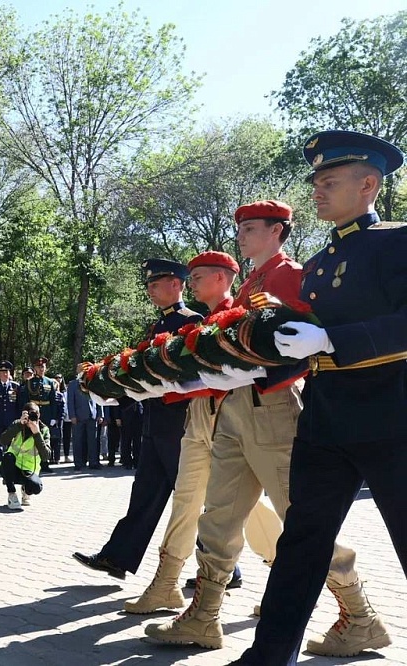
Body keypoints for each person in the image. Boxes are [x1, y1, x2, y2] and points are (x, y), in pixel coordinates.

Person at [147, 199, 384, 654]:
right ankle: (204, 615)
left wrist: (252, 372)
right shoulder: (254, 281)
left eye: (251, 228)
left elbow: (298, 345)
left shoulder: (287, 274)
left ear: (278, 231)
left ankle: (360, 616)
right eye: (241, 227)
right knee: (218, 516)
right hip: (237, 409)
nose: (242, 234)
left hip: (272, 409)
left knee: (302, 521)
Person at [230, 131, 405, 664]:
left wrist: (332, 340)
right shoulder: (322, 261)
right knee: (300, 547)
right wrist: (259, 357)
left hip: (390, 416)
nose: (318, 191)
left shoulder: (396, 243)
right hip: (327, 419)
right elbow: (307, 339)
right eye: (317, 182)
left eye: (329, 181)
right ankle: (266, 657)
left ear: (368, 185)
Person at [123, 251, 278, 615]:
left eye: (198, 277)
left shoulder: (238, 314)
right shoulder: (203, 320)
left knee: (251, 506)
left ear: (223, 278)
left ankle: (292, 576)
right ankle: (166, 584)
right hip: (200, 420)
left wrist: (158, 384)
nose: (190, 284)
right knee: (187, 502)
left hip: (237, 418)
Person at [73, 259, 202, 578]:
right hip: (155, 421)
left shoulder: (192, 320)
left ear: (177, 284)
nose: (149, 291)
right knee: (144, 495)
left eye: (155, 284)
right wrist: (112, 391)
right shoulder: (156, 326)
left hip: (179, 424)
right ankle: (117, 558)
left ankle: (222, 569)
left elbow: (191, 373)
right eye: (148, 285)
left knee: (189, 501)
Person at [0, 402, 51, 510]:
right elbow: (2, 440)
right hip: (13, 466)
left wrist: (37, 433)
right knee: (7, 457)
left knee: (37, 487)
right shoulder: (18, 424)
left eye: (34, 415)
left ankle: (26, 491)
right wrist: (19, 425)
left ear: (39, 415)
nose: (31, 418)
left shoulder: (43, 430)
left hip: (29, 470)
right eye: (29, 415)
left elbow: (46, 456)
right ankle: (12, 493)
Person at [20, 356, 63, 474]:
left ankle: (45, 463)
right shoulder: (29, 382)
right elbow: (26, 400)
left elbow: (53, 401)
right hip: (34, 414)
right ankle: (31, 462)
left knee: (45, 439)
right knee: (32, 438)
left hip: (47, 414)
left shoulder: (49, 382)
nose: (41, 369)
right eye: (39, 367)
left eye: (43, 366)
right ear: (35, 368)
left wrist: (54, 417)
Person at [0, 361, 21, 470]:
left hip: (12, 420)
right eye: (2, 372)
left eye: (6, 371)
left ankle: (12, 466)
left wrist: (19, 420)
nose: (5, 374)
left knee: (13, 444)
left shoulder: (16, 386)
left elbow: (19, 405)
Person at [66, 382, 99, 470]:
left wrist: (101, 414)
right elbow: (70, 401)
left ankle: (93, 462)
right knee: (77, 441)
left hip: (92, 415)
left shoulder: (93, 381)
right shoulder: (73, 384)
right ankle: (78, 463)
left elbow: (99, 397)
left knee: (93, 441)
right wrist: (72, 415)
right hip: (78, 416)